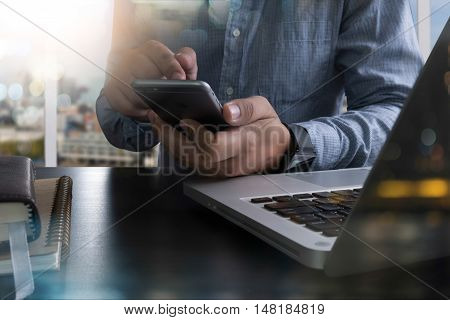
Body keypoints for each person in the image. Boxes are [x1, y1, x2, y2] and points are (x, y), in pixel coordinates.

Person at [96, 0, 422, 177]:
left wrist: (292, 145)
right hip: (167, 222)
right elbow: (118, 124)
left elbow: (402, 117)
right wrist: (126, 99)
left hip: (295, 206)